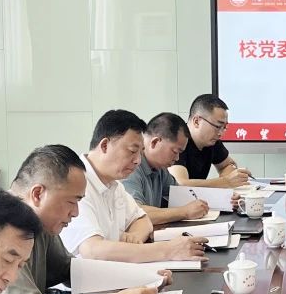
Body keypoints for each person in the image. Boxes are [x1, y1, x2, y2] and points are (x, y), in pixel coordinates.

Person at [0, 144, 172, 294]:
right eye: (71, 202)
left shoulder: (39, 223)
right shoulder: (1, 228)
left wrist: (144, 275)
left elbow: (71, 270)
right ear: (38, 194)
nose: (75, 212)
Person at [60, 109, 208, 263]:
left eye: (140, 153)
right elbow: (92, 250)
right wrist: (168, 250)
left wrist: (134, 237)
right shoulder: (76, 183)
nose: (138, 161)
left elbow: (142, 219)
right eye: (132, 151)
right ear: (104, 146)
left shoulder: (114, 185)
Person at [123, 111, 212, 224]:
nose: (177, 158)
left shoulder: (160, 169)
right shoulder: (130, 167)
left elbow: (182, 195)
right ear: (155, 142)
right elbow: (135, 213)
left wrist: (224, 199)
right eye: (175, 151)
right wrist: (184, 212)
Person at [169, 94, 251, 188]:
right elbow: (180, 184)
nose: (221, 133)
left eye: (224, 127)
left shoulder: (212, 140)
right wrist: (226, 182)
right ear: (196, 121)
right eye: (218, 126)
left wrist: (230, 178)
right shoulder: (178, 140)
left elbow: (228, 164)